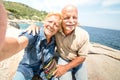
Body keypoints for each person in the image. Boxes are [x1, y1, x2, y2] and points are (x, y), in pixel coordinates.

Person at [28, 4, 90, 80]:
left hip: (78, 60)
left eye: (74, 18)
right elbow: (46, 28)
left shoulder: (83, 35)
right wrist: (34, 26)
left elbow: (82, 57)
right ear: (61, 20)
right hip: (63, 58)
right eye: (67, 18)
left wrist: (65, 68)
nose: (71, 21)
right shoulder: (56, 30)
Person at [0, 12, 62, 80]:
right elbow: (19, 43)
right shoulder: (34, 33)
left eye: (56, 25)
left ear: (58, 29)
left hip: (45, 70)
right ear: (44, 22)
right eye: (50, 21)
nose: (52, 26)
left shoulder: (55, 39)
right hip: (27, 69)